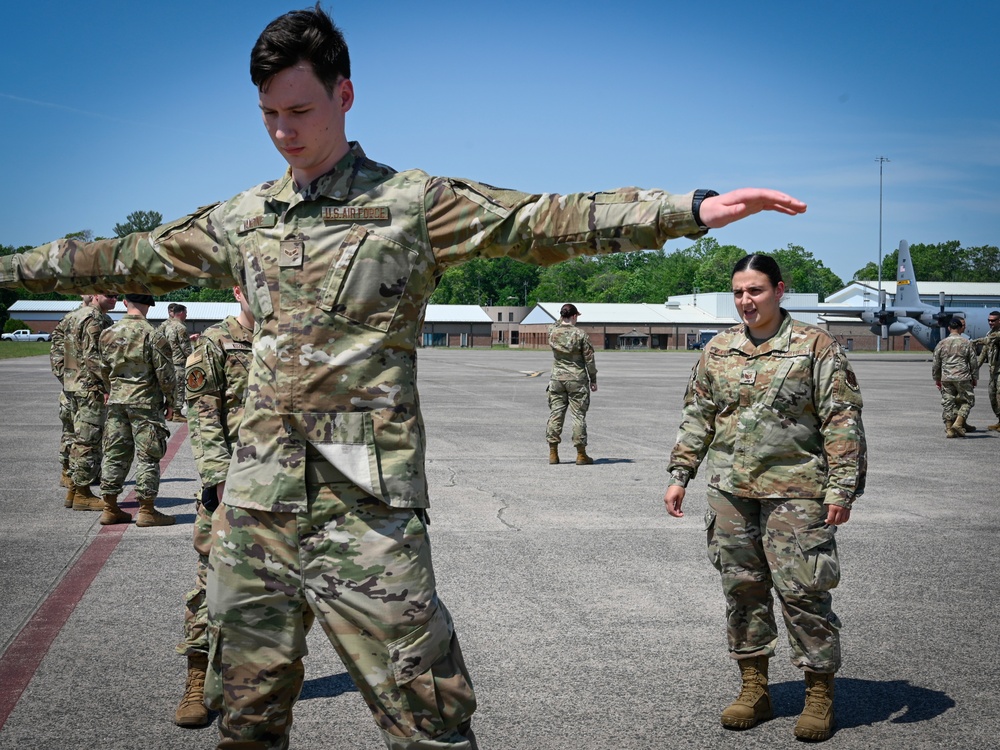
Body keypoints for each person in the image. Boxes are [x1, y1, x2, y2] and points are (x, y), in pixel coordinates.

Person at [0, 8, 807, 748]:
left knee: (429, 720)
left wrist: (687, 209)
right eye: (269, 115)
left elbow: (539, 219)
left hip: (368, 511)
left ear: (344, 95)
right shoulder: (243, 217)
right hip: (256, 510)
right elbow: (115, 256)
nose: (284, 132)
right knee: (246, 718)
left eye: (301, 111)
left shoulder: (410, 204)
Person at [663, 253, 866, 742]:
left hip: (796, 492)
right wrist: (680, 473)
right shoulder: (719, 348)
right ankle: (754, 687)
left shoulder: (814, 346)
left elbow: (842, 419)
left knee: (803, 593)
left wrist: (842, 487)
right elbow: (699, 415)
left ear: (778, 290)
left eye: (754, 290)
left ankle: (819, 692)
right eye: (738, 292)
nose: (745, 301)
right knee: (742, 591)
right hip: (731, 491)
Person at [174, 286, 254, 727]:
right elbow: (203, 419)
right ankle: (196, 683)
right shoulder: (213, 344)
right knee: (211, 586)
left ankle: (252, 685)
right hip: (231, 487)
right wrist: (220, 486)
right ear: (240, 289)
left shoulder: (294, 341)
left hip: (287, 488)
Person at [96, 294, 176, 526]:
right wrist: (171, 401)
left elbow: (103, 368)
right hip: (145, 403)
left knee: (115, 452)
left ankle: (110, 508)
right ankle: (147, 511)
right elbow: (165, 373)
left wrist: (111, 390)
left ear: (124, 303)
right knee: (148, 456)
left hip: (118, 401)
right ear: (149, 306)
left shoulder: (107, 333)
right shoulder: (153, 334)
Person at [62, 293, 119, 511]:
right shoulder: (95, 318)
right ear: (95, 295)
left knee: (79, 438)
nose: (114, 299)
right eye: (109, 295)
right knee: (89, 441)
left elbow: (60, 349)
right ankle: (82, 494)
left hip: (74, 384)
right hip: (90, 388)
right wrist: (106, 385)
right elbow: (93, 356)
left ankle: (74, 490)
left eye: (116, 296)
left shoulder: (74, 315)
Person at [49, 295, 92, 496]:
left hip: (89, 389)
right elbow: (57, 353)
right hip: (73, 388)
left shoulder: (104, 320)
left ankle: (85, 472)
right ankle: (67, 470)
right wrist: (68, 381)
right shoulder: (69, 319)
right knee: (70, 431)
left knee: (88, 434)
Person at [546, 303, 598, 465]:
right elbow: (589, 359)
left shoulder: (553, 332)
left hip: (557, 380)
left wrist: (562, 317)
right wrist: (593, 379)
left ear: (562, 316)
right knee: (578, 416)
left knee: (556, 414)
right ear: (574, 316)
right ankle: (581, 454)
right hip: (577, 380)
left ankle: (553, 453)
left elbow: (554, 324)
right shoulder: (580, 335)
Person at [932, 317, 979, 438]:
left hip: (946, 377)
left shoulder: (941, 343)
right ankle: (958, 423)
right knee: (968, 401)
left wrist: (937, 378)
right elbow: (973, 362)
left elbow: (936, 363)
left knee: (948, 402)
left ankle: (949, 429)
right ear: (960, 328)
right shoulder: (966, 343)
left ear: (949, 328)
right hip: (962, 376)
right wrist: (974, 377)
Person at [159, 302, 193, 422]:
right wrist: (193, 359)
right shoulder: (181, 327)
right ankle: (177, 413)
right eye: (186, 313)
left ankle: (171, 411)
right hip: (179, 362)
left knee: (172, 388)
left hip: (169, 361)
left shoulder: (168, 326)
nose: (186, 316)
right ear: (182, 313)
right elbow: (186, 348)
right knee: (179, 387)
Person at [971, 310, 1000, 431]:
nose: (990, 322)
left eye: (993, 320)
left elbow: (988, 340)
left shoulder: (995, 335)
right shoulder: (990, 333)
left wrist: (973, 342)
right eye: (989, 320)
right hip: (993, 371)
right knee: (992, 395)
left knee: (999, 395)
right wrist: (975, 367)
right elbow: (984, 352)